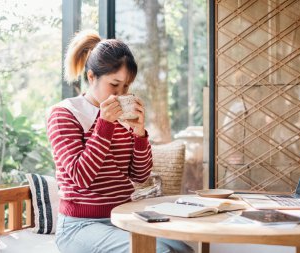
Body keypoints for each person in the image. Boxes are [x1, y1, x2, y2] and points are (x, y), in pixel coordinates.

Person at [47, 30, 194, 253]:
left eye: (126, 86)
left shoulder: (123, 118)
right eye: (114, 85)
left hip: (125, 218)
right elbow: (81, 177)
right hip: (80, 226)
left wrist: (140, 136)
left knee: (184, 249)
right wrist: (104, 125)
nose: (121, 93)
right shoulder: (64, 114)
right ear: (91, 77)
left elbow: (140, 176)